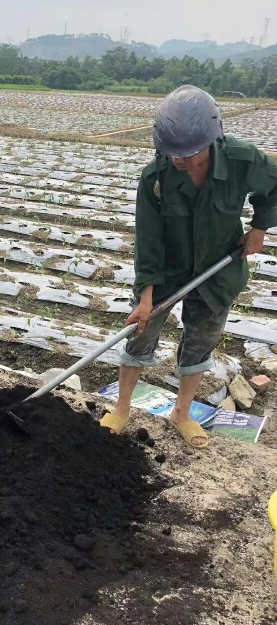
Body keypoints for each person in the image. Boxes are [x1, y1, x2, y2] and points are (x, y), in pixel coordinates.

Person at [100, 85, 277, 448]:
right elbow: (149, 240)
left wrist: (259, 227)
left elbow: (273, 189)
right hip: (167, 270)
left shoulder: (244, 160)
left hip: (219, 268)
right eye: (173, 154)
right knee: (139, 336)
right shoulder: (156, 178)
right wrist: (146, 296)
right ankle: (121, 407)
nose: (181, 161)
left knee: (200, 341)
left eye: (190, 154)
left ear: (213, 139)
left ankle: (182, 413)